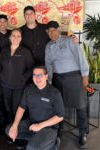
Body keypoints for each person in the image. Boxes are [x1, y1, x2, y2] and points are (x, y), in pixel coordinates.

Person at [45, 21, 89, 149]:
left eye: (54, 30)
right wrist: (50, 81)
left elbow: (80, 56)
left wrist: (85, 75)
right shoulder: (48, 46)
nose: (52, 33)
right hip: (58, 79)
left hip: (74, 77)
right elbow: (48, 64)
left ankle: (82, 133)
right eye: (49, 31)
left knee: (80, 106)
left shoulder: (69, 40)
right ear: (47, 33)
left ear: (58, 30)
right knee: (59, 107)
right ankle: (58, 132)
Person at [6, 66, 64, 150]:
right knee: (9, 130)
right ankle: (37, 140)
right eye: (34, 75)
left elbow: (60, 116)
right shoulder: (29, 89)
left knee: (31, 147)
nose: (37, 78)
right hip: (31, 123)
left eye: (40, 75)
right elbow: (21, 107)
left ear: (46, 76)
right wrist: (15, 126)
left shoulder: (55, 93)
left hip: (48, 127)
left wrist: (40, 125)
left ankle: (54, 142)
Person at [0, 28, 34, 125]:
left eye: (18, 36)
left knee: (16, 108)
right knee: (8, 108)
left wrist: (23, 78)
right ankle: (10, 128)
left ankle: (17, 129)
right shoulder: (4, 50)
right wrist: (1, 75)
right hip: (6, 84)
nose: (15, 38)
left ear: (21, 38)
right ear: (10, 37)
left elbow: (31, 68)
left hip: (19, 86)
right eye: (13, 35)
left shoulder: (25, 52)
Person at [0, 14, 11, 129]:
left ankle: (10, 123)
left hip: (11, 71)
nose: (2, 23)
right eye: (0, 21)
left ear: (7, 23)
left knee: (9, 98)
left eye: (4, 21)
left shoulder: (12, 34)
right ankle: (1, 122)